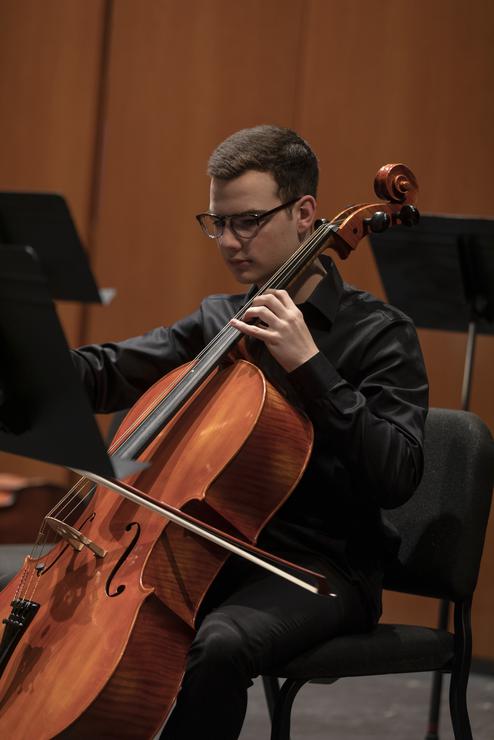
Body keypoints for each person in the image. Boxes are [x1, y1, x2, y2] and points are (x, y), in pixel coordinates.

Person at [72, 125, 429, 739]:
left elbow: (397, 472)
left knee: (219, 644)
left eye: (248, 221)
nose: (230, 242)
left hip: (320, 569)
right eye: (217, 224)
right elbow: (110, 373)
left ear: (305, 213)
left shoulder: (379, 334)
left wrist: (309, 365)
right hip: (213, 551)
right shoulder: (223, 319)